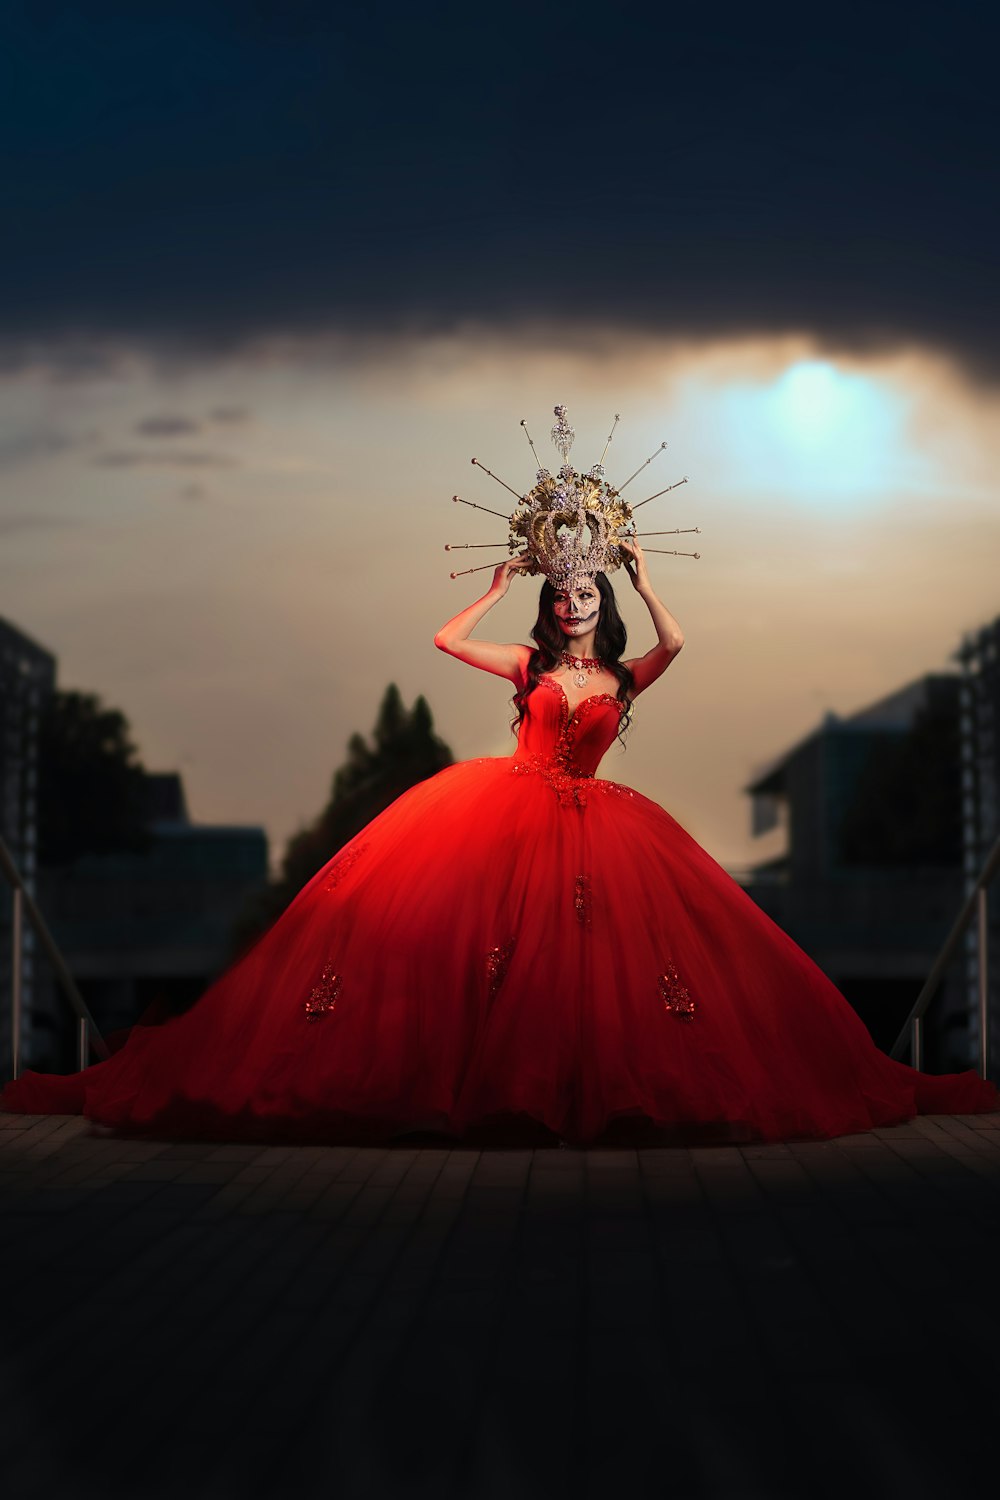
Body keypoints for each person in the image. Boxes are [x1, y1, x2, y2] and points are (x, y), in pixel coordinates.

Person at [3, 539, 997, 1144]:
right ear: (547, 607)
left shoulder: (624, 676)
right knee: (483, 959)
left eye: (586, 599)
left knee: (604, 974)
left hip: (599, 828)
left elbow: (680, 644)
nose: (573, 609)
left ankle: (572, 1101)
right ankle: (482, 1099)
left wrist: (644, 578)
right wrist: (491, 583)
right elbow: (441, 640)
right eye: (564, 598)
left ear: (601, 609)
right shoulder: (524, 663)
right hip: (503, 811)